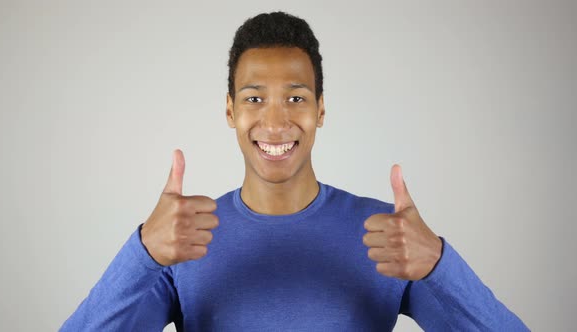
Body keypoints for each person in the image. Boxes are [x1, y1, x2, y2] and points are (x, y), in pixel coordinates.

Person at [61, 12, 528, 331]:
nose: (276, 121)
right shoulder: (182, 239)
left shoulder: (387, 235)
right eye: (254, 98)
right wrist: (142, 254)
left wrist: (440, 266)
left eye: (297, 98)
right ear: (229, 111)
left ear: (321, 110)